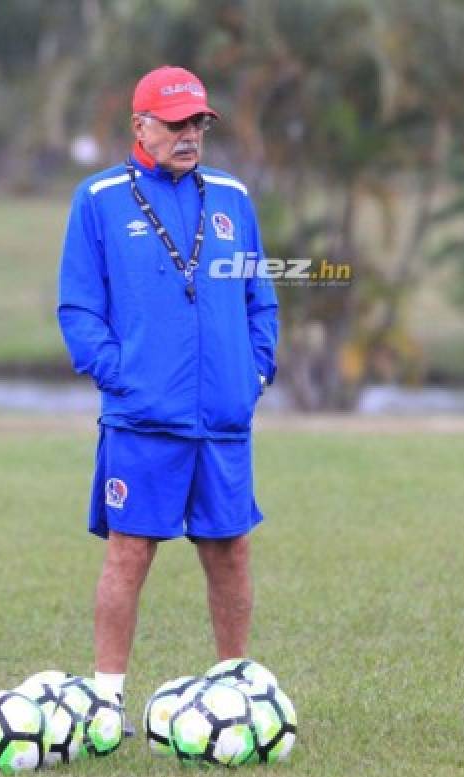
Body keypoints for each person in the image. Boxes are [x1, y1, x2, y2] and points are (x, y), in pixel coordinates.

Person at [56, 65, 279, 731]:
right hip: (144, 418)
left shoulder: (233, 198)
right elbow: (78, 308)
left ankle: (233, 690)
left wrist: (254, 373)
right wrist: (121, 375)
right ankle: (105, 703)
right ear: (140, 127)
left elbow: (258, 297)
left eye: (198, 123)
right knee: (130, 552)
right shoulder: (97, 199)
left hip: (222, 419)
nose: (189, 135)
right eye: (176, 123)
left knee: (230, 551)